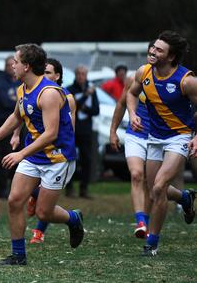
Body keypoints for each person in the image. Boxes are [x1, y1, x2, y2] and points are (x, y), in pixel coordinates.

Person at [0, 44, 83, 265]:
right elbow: (16, 117)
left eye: (15, 61)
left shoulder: (49, 93)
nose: (12, 65)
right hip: (34, 156)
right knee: (15, 201)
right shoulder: (23, 89)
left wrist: (20, 154)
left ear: (26, 66)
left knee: (44, 214)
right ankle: (18, 255)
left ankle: (73, 218)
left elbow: (51, 133)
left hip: (57, 158)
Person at [126, 30, 197, 257]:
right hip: (154, 137)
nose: (152, 52)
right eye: (153, 47)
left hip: (179, 137)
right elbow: (131, 93)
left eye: (159, 50)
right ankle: (185, 197)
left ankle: (152, 243)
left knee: (158, 188)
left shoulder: (187, 81)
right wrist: (133, 113)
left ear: (171, 57)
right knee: (155, 190)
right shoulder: (143, 72)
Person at [27, 58, 77, 244]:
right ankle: (36, 198)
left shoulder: (66, 97)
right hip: (36, 150)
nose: (44, 76)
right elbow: (21, 114)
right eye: (43, 72)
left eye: (48, 72)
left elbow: (70, 127)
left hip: (57, 154)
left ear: (57, 76)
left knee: (44, 204)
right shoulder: (33, 92)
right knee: (30, 191)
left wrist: (68, 146)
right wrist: (16, 134)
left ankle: (39, 232)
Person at [109, 43, 154, 240]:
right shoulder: (136, 78)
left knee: (152, 184)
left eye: (158, 52)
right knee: (136, 175)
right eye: (150, 52)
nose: (153, 56)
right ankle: (141, 222)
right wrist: (113, 132)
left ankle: (183, 198)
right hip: (136, 134)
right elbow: (121, 104)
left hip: (159, 137)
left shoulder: (175, 80)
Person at [66, 64, 99, 198]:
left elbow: (96, 110)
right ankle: (69, 188)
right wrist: (85, 96)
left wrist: (85, 109)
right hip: (72, 129)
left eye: (84, 74)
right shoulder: (69, 89)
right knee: (69, 159)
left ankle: (84, 189)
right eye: (79, 74)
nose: (81, 77)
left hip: (86, 130)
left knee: (87, 159)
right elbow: (73, 105)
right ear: (75, 75)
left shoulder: (92, 90)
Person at [0, 56, 21, 198]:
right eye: (9, 65)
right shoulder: (0, 82)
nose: (12, 67)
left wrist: (19, 105)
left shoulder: (20, 81)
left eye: (14, 64)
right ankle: (2, 189)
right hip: (4, 124)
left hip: (20, 125)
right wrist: (20, 104)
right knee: (5, 156)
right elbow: (5, 102)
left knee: (19, 156)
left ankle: (14, 188)